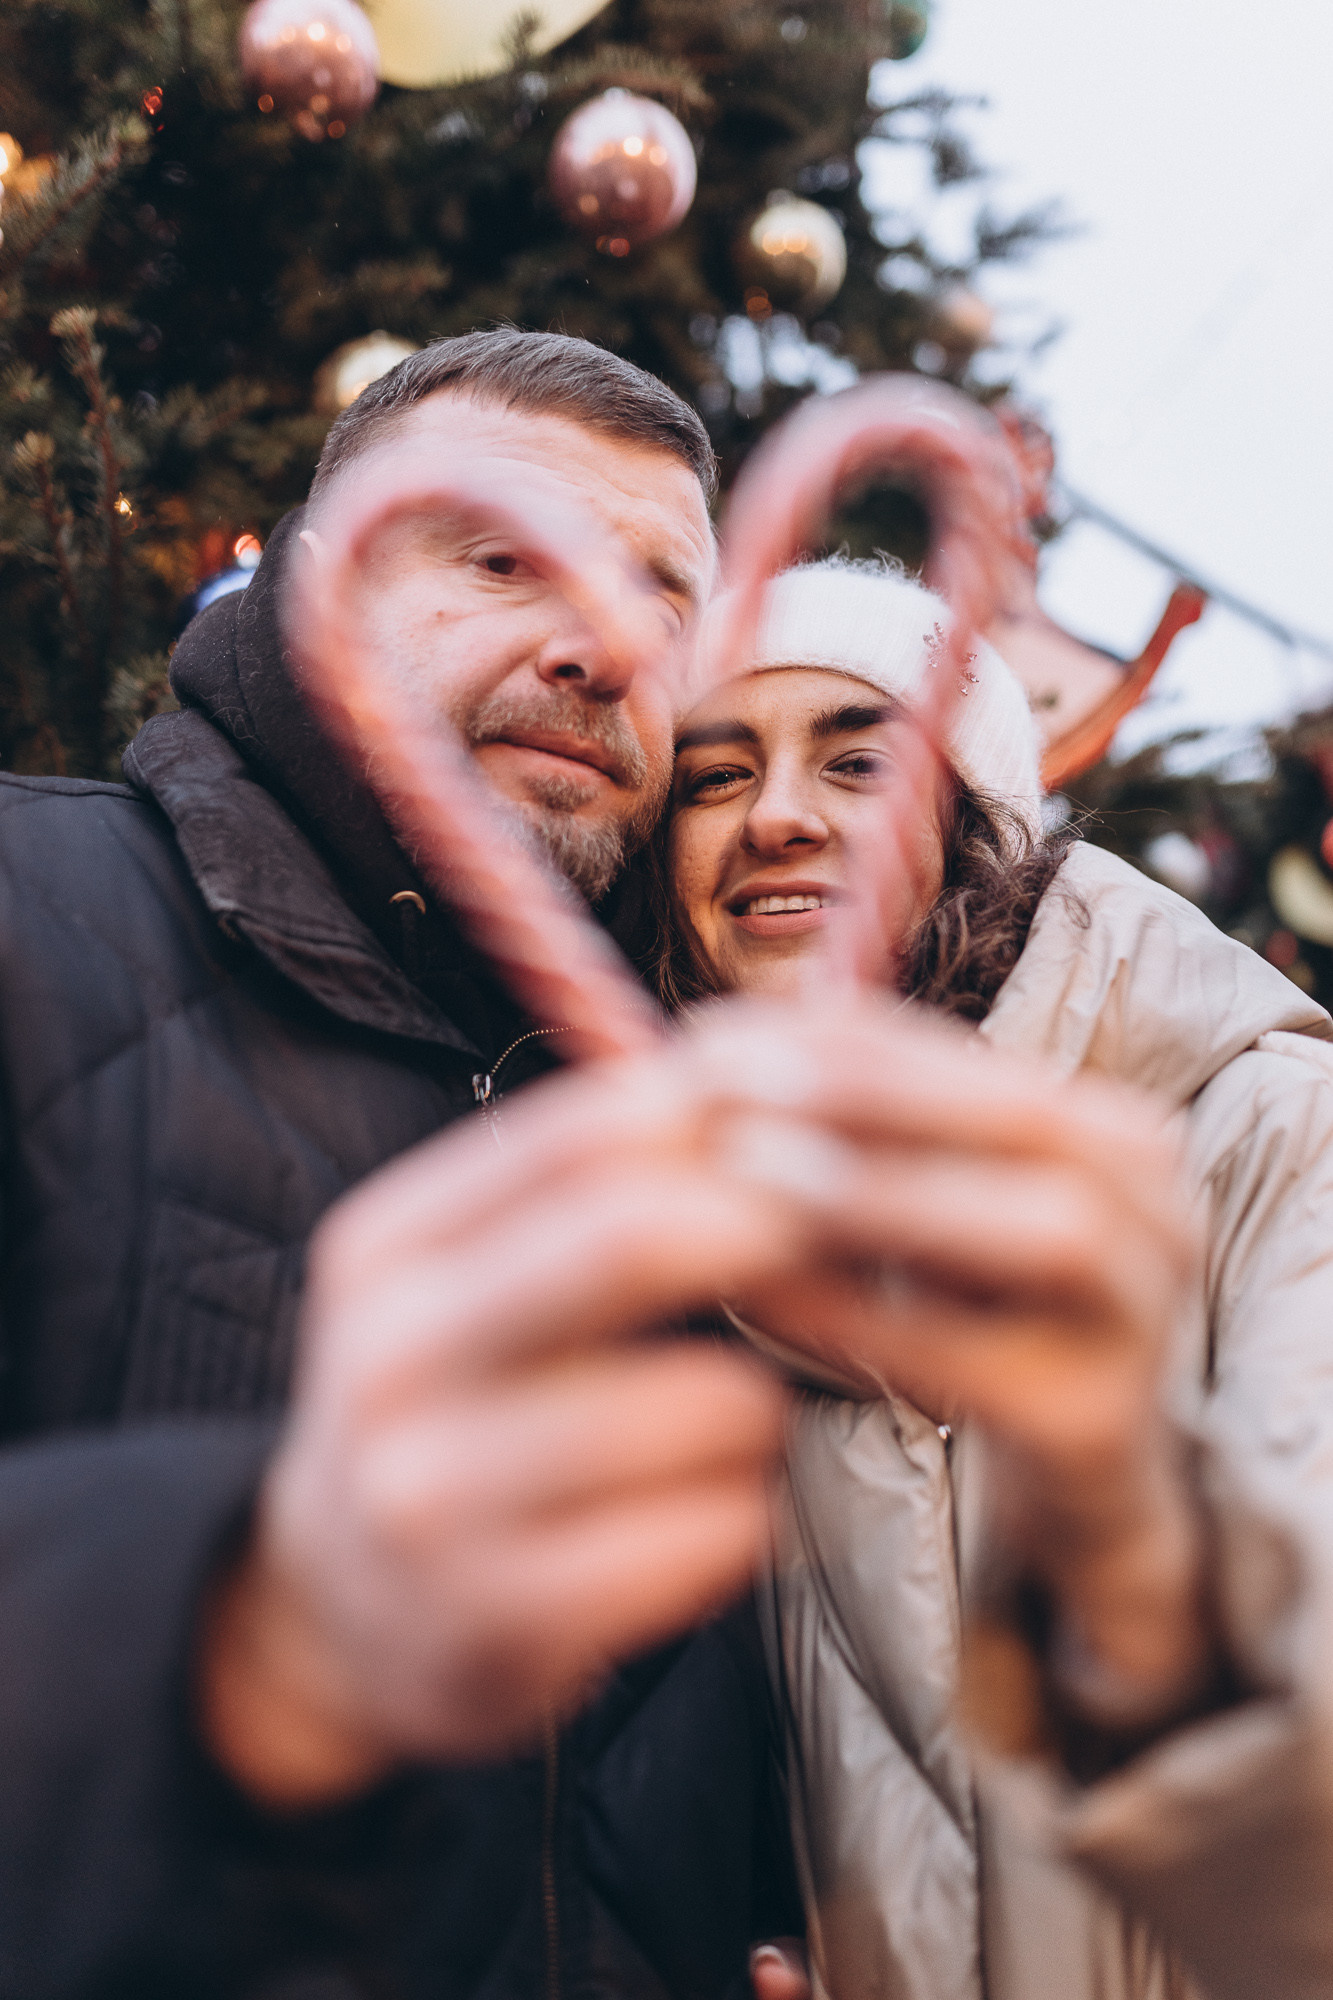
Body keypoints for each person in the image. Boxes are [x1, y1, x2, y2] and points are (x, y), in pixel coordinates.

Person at [0, 327, 822, 2000]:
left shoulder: (696, 1137)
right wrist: (239, 1636)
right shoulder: (27, 916)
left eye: (661, 597)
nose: (599, 644)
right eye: (501, 561)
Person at [659, 554, 1333, 2000]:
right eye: (713, 778)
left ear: (973, 830)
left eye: (860, 762)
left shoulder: (1279, 1139)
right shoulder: (706, 1268)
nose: (776, 816)